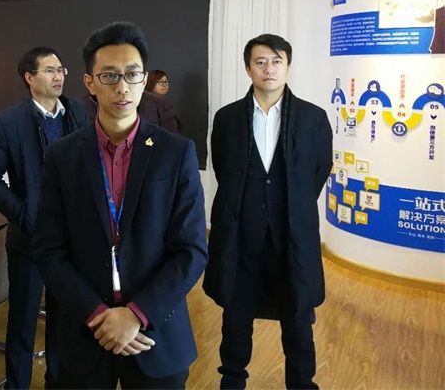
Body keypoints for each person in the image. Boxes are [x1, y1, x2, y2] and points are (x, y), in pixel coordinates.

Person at [33, 21, 208, 389]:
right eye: (110, 75)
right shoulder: (63, 156)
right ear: (90, 83)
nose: (122, 86)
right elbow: (49, 250)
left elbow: (191, 250)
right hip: (86, 332)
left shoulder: (175, 152)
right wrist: (99, 315)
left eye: (132, 74)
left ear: (144, 79)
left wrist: (136, 315)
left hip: (155, 333)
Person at [204, 33, 333, 389]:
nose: (269, 69)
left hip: (291, 236)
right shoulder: (228, 118)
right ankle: (232, 380)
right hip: (241, 236)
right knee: (236, 317)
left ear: (288, 66)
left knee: (298, 318)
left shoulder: (313, 118)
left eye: (277, 61)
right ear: (248, 69)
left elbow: (319, 170)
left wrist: (290, 205)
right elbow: (224, 169)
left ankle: (302, 384)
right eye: (260, 62)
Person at [0, 46, 89, 389]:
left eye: (61, 70)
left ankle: (56, 382)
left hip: (71, 240)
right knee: (23, 319)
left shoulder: (78, 114)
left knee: (64, 318)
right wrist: (24, 214)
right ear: (29, 77)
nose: (58, 77)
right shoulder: (8, 122)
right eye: (49, 70)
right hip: (30, 239)